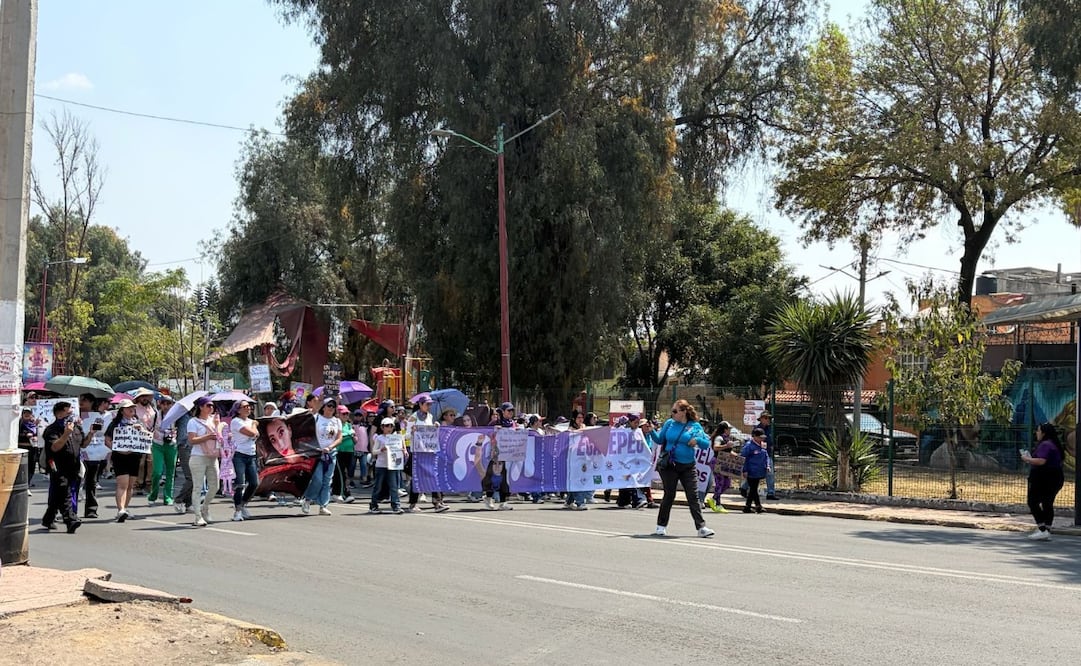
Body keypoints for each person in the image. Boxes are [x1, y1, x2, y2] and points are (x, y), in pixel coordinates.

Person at [649, 399, 714, 537]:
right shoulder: (669, 423)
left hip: (688, 466)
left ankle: (701, 527)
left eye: (675, 411)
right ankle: (661, 525)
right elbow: (660, 440)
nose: (672, 414)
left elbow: (706, 444)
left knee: (693, 496)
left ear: (684, 412)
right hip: (669, 465)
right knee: (669, 494)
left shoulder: (695, 426)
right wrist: (651, 431)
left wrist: (697, 440)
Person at [41, 401, 84, 533]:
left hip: (73, 465)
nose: (71, 414)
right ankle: (70, 520)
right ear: (59, 414)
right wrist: (66, 434)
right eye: (68, 412)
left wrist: (91, 433)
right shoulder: (52, 430)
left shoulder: (75, 427)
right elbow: (55, 447)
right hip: (57, 466)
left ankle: (48, 518)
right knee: (64, 490)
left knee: (57, 494)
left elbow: (83, 444)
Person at [1021, 422, 1066, 541]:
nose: (1036, 433)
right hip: (1055, 477)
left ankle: (1042, 529)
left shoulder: (1045, 444)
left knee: (1033, 502)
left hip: (1045, 478)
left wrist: (1027, 459)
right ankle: (1046, 529)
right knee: (1047, 503)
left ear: (1044, 433)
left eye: (1038, 430)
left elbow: (1041, 461)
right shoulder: (1054, 444)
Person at [104, 399, 146, 522]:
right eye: (128, 408)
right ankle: (120, 509)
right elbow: (107, 440)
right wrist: (118, 449)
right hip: (120, 457)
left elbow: (146, 438)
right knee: (122, 484)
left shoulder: (137, 422)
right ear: (122, 410)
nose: (132, 409)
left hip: (135, 456)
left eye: (133, 407)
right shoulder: (115, 424)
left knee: (130, 485)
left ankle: (125, 509)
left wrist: (141, 430)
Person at [186, 396, 222, 527]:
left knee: (215, 486)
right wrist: (208, 436)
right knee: (198, 487)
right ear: (201, 407)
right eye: (208, 405)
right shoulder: (193, 422)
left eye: (212, 406)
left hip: (213, 456)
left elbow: (220, 436)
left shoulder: (214, 420)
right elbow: (192, 440)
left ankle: (205, 507)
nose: (211, 408)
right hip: (198, 457)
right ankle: (198, 516)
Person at [302, 398, 342, 515]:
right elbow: (308, 434)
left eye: (333, 406)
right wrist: (314, 447)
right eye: (329, 405)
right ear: (323, 407)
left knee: (327, 481)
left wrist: (330, 447)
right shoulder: (316, 418)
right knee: (318, 480)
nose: (331, 408)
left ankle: (323, 505)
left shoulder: (336, 421)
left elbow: (339, 438)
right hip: (317, 454)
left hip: (331, 454)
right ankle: (308, 499)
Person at [229, 399, 260, 522]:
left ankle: (243, 504)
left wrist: (253, 426)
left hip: (251, 455)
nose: (248, 408)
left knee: (254, 483)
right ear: (238, 410)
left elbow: (257, 435)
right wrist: (254, 425)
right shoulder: (236, 421)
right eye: (245, 406)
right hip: (239, 455)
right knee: (240, 483)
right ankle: (237, 511)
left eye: (249, 406)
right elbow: (252, 433)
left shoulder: (250, 421)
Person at [81, 400, 112, 519]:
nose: (81, 403)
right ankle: (67, 510)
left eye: (83, 400)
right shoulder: (77, 415)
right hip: (80, 451)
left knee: (92, 481)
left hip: (96, 452)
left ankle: (91, 509)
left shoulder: (107, 416)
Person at [148, 393, 178, 507]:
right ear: (160, 404)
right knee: (157, 472)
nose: (166, 406)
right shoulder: (155, 415)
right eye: (163, 403)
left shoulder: (176, 416)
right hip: (158, 445)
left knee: (170, 472)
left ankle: (168, 497)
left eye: (168, 404)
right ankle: (153, 495)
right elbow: (149, 428)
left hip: (171, 445)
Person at [369, 417, 404, 514]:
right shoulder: (379, 438)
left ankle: (396, 506)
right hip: (381, 465)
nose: (389, 428)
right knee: (378, 486)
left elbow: (399, 447)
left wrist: (401, 451)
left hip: (392, 465)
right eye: (387, 426)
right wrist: (381, 449)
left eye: (391, 426)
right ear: (382, 427)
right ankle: (373, 505)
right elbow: (373, 451)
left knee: (394, 486)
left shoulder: (395, 438)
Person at [130, 388, 158, 496]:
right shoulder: (134, 409)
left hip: (150, 438)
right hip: (138, 439)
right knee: (140, 462)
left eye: (146, 396)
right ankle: (137, 484)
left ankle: (148, 484)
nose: (144, 398)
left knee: (151, 461)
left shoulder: (153, 409)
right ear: (138, 398)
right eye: (142, 396)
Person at [740, 428, 771, 514]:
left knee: (753, 489)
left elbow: (766, 456)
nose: (761, 439)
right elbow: (743, 458)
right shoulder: (749, 446)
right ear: (754, 437)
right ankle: (758, 506)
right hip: (751, 471)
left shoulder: (762, 445)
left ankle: (748, 507)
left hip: (759, 471)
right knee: (753, 488)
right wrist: (745, 470)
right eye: (760, 437)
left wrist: (767, 465)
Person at [705, 421, 733, 514]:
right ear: (725, 429)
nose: (730, 431)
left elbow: (728, 451)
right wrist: (726, 446)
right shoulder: (719, 438)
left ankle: (713, 498)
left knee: (727, 483)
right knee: (720, 483)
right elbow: (716, 447)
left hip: (725, 463)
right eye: (729, 429)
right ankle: (718, 504)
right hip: (717, 462)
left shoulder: (726, 438)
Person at [331, 405, 356, 504]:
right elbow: (337, 437)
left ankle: (338, 492)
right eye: (344, 414)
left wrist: (354, 437)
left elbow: (354, 439)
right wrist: (348, 434)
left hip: (349, 451)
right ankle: (343, 493)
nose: (346, 415)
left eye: (347, 413)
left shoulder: (349, 425)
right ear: (338, 414)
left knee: (348, 473)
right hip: (339, 451)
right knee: (341, 473)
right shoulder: (335, 425)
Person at [173, 405, 194, 515]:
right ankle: (179, 499)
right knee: (191, 477)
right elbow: (183, 437)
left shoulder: (195, 418)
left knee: (195, 477)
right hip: (185, 447)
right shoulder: (184, 416)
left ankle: (188, 503)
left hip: (196, 449)